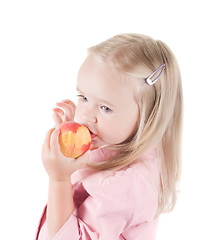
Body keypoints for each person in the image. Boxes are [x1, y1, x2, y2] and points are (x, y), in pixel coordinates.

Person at [36, 33, 183, 240]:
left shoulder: (129, 185)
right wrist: (71, 142)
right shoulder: (118, 139)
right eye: (84, 98)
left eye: (105, 108)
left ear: (147, 117)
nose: (85, 116)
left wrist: (59, 179)